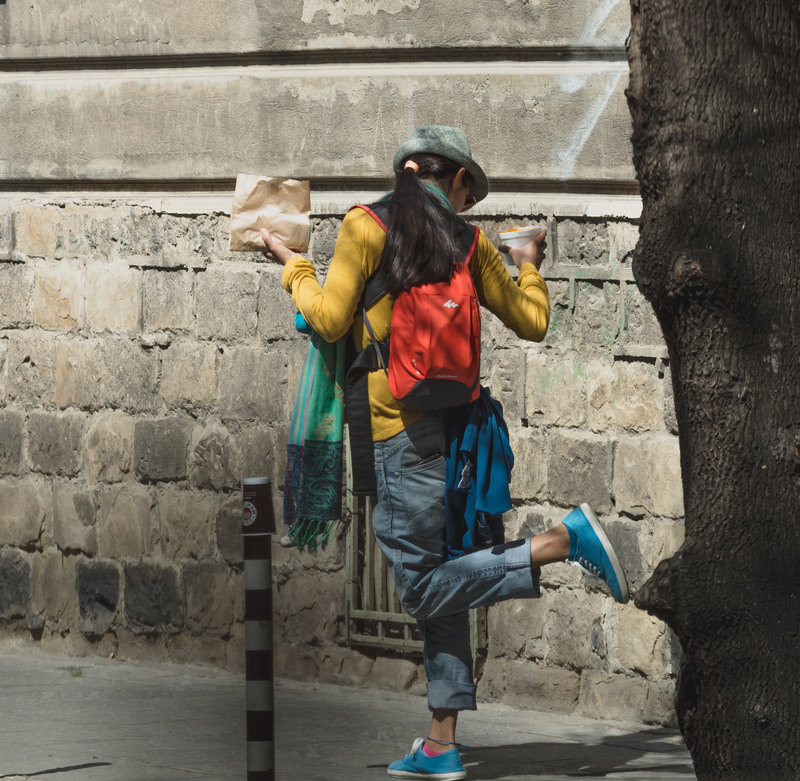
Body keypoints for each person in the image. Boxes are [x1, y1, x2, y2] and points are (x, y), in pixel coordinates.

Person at [261, 125, 629, 781]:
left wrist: (292, 266)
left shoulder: (366, 225)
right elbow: (533, 321)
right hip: (457, 435)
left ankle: (559, 542)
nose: (465, 205)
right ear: (455, 179)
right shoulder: (471, 243)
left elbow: (329, 318)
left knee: (422, 585)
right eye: (466, 192)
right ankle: (440, 744)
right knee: (446, 579)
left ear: (407, 170)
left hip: (397, 434)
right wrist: (528, 262)